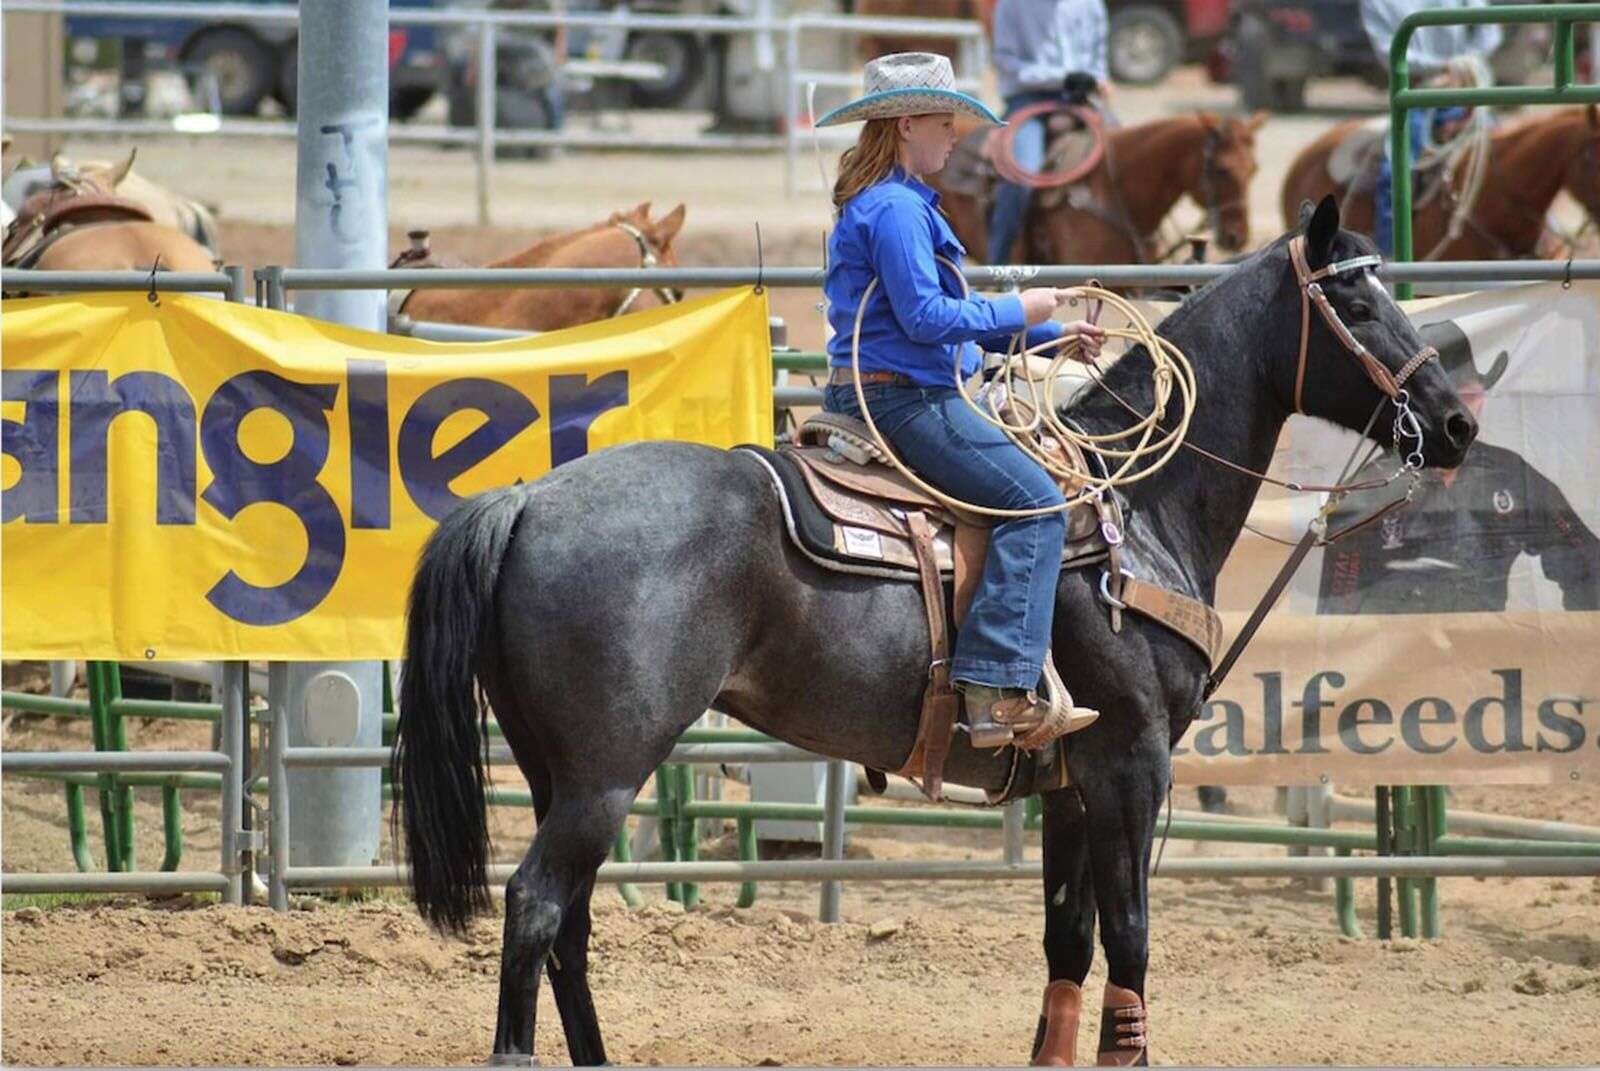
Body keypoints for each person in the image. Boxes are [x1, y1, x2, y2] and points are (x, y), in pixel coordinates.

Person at [815, 52, 1106, 748]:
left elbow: (944, 317)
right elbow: (926, 320)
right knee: (1038, 502)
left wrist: (1044, 333)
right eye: (946, 122)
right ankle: (996, 685)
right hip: (905, 401)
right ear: (908, 123)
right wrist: (1018, 306)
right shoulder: (895, 210)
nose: (957, 136)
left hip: (897, 387)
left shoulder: (895, 201)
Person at [1317, 319, 1599, 614]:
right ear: (1411, 404)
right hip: (1395, 652)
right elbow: (1337, 604)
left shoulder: (1511, 476)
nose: (1455, 412)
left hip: (1483, 652)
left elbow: (1588, 564)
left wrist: (1576, 646)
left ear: (1482, 399)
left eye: (1468, 396)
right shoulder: (1370, 485)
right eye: (1441, 398)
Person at [1360, 0, 1502, 255]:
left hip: (1466, 90)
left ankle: (1538, 240)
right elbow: (1390, 52)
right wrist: (1447, 67)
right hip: (1418, 96)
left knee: (1512, 156)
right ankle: (1391, 261)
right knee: (1395, 174)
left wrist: (1466, 62)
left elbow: (1489, 30)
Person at [987, 0, 1114, 265]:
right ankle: (997, 263)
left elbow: (1098, 60)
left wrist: (1094, 80)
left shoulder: (1091, 5)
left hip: (1081, 99)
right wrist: (1062, 77)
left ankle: (1142, 250)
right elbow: (1007, 63)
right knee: (1021, 175)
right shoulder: (1012, 5)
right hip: (1029, 100)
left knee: (1126, 159)